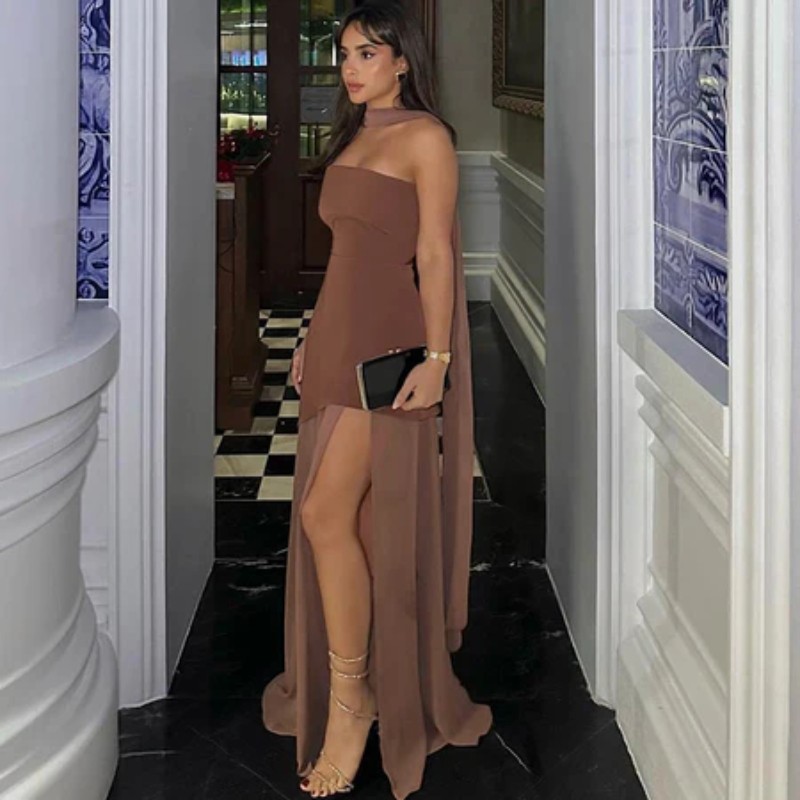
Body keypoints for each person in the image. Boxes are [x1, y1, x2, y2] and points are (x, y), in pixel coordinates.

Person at [260, 2, 493, 797]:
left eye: (368, 53)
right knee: (345, 520)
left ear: (403, 61)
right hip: (336, 335)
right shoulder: (355, 134)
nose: (351, 67)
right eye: (345, 53)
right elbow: (347, 255)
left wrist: (438, 356)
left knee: (325, 513)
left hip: (388, 345)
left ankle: (354, 702)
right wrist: (309, 336)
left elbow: (434, 252)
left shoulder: (427, 138)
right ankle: (351, 684)